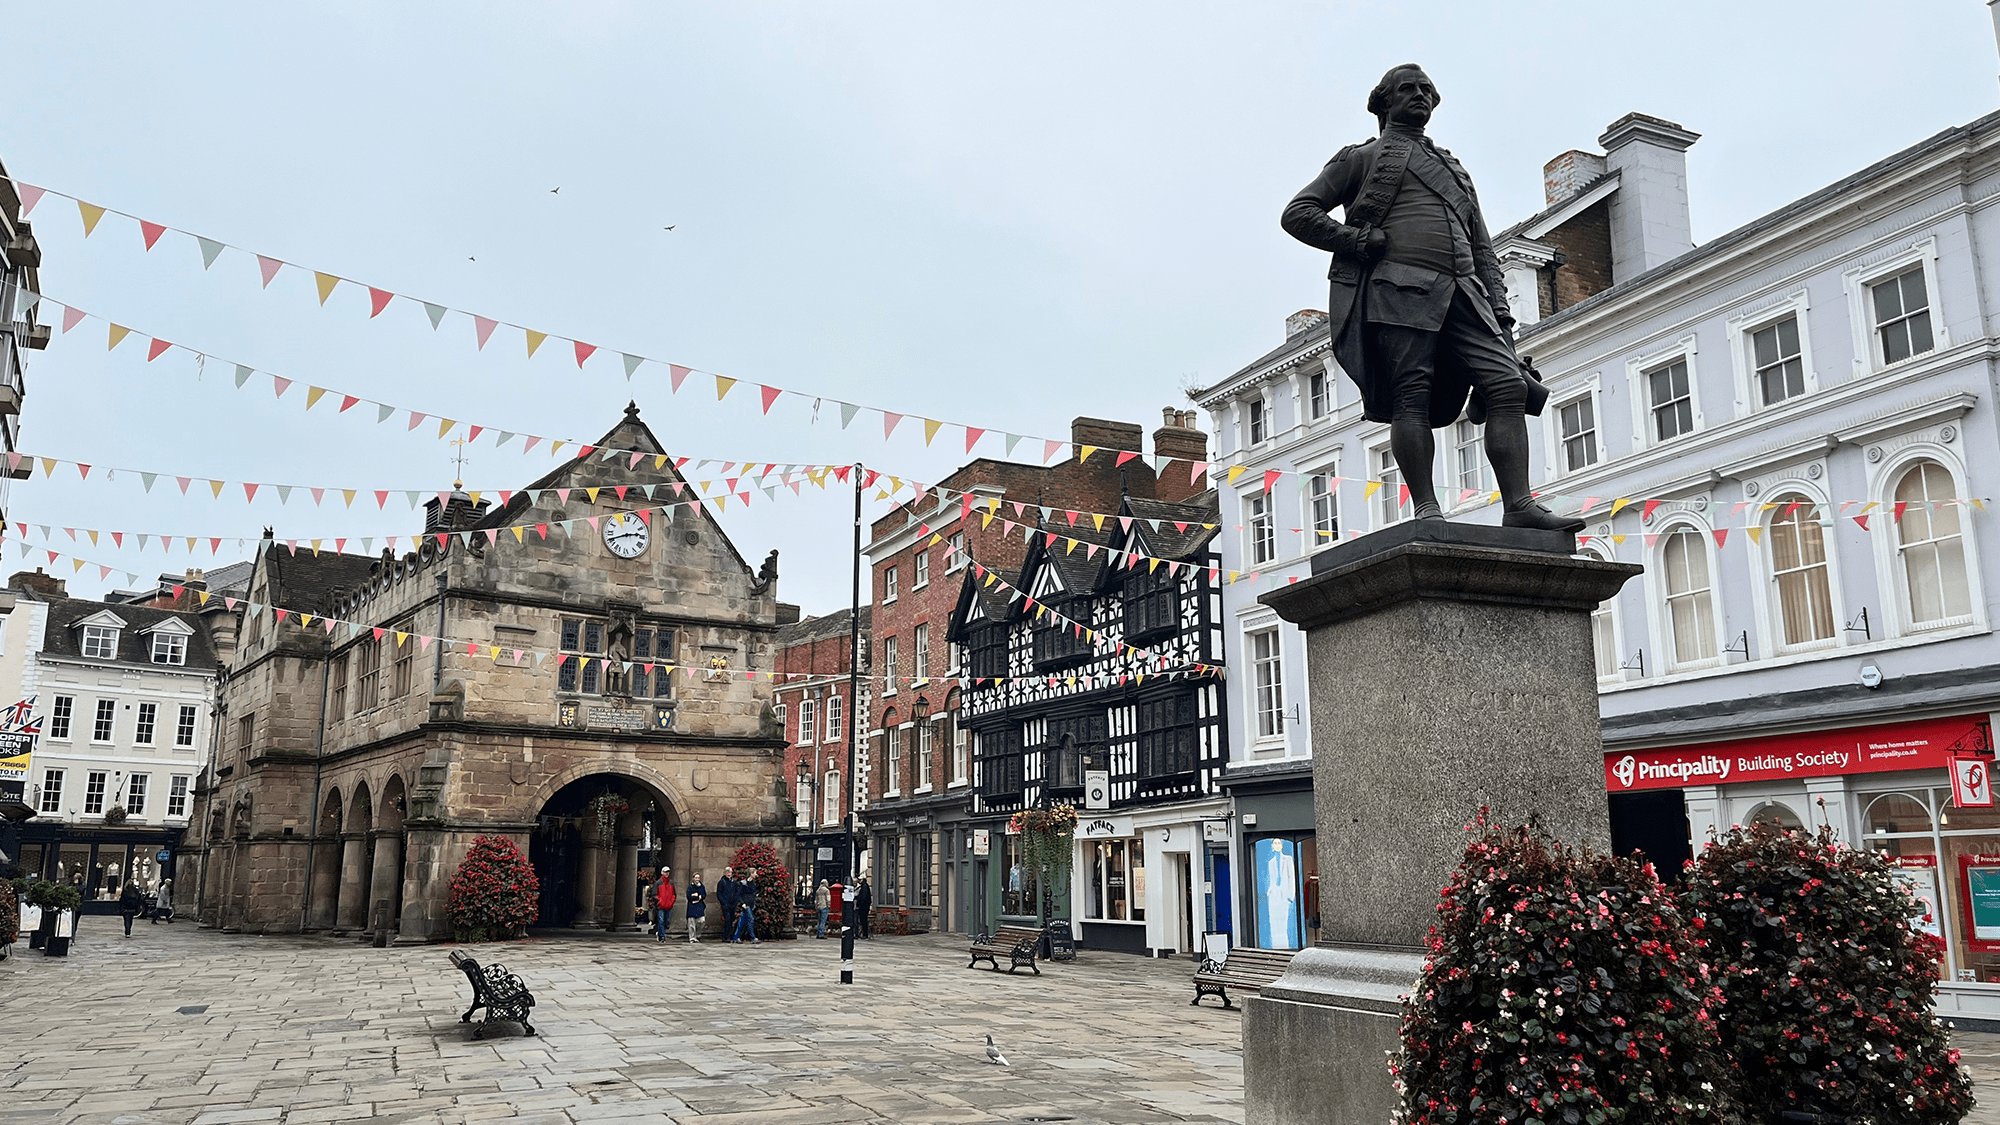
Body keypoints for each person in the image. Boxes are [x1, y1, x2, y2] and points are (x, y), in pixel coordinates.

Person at [1280, 64, 1583, 534]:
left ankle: (1519, 504)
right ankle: (1426, 508)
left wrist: (1501, 311)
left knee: (1508, 386)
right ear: (1383, 103)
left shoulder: (1454, 169)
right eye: (1408, 89)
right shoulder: (1359, 159)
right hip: (1398, 291)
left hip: (1466, 293)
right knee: (1411, 399)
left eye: (1427, 90)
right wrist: (1357, 241)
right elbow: (1298, 213)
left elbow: (1481, 245)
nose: (1420, 96)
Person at [732, 869, 761, 944]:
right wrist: (742, 903)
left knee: (742, 921)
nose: (756, 874)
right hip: (746, 905)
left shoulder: (753, 883)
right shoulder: (743, 883)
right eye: (755, 872)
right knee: (750, 919)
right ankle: (753, 937)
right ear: (751, 873)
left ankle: (736, 937)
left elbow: (755, 891)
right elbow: (738, 895)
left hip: (751, 904)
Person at [717, 866, 742, 943]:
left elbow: (737, 893)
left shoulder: (734, 882)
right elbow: (719, 894)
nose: (729, 874)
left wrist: (735, 901)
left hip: (732, 905)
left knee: (731, 920)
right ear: (724, 873)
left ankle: (730, 935)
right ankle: (726, 936)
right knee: (727, 920)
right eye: (727, 872)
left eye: (730, 872)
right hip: (725, 904)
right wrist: (724, 903)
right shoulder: (721, 882)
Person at [653, 866, 677, 942]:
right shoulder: (658, 883)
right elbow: (654, 894)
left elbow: (674, 894)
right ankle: (662, 937)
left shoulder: (671, 883)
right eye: (665, 872)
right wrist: (659, 902)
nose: (667, 873)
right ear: (662, 872)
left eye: (668, 872)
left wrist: (671, 902)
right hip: (661, 906)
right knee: (661, 921)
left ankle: (660, 933)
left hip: (668, 906)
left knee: (667, 922)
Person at [685, 872, 706, 942]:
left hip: (699, 907)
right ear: (693, 878)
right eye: (696, 878)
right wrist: (697, 897)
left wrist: (698, 896)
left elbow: (704, 895)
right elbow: (689, 897)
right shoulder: (690, 887)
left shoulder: (702, 886)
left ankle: (698, 935)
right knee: (691, 924)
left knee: (702, 921)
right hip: (692, 907)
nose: (697, 879)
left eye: (698, 878)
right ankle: (692, 938)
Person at [854, 875, 873, 939]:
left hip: (864, 907)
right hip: (864, 906)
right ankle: (864, 933)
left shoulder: (864, 886)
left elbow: (863, 897)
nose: (859, 881)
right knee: (863, 920)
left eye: (860, 880)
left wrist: (859, 904)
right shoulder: (864, 886)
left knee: (863, 920)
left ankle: (865, 934)